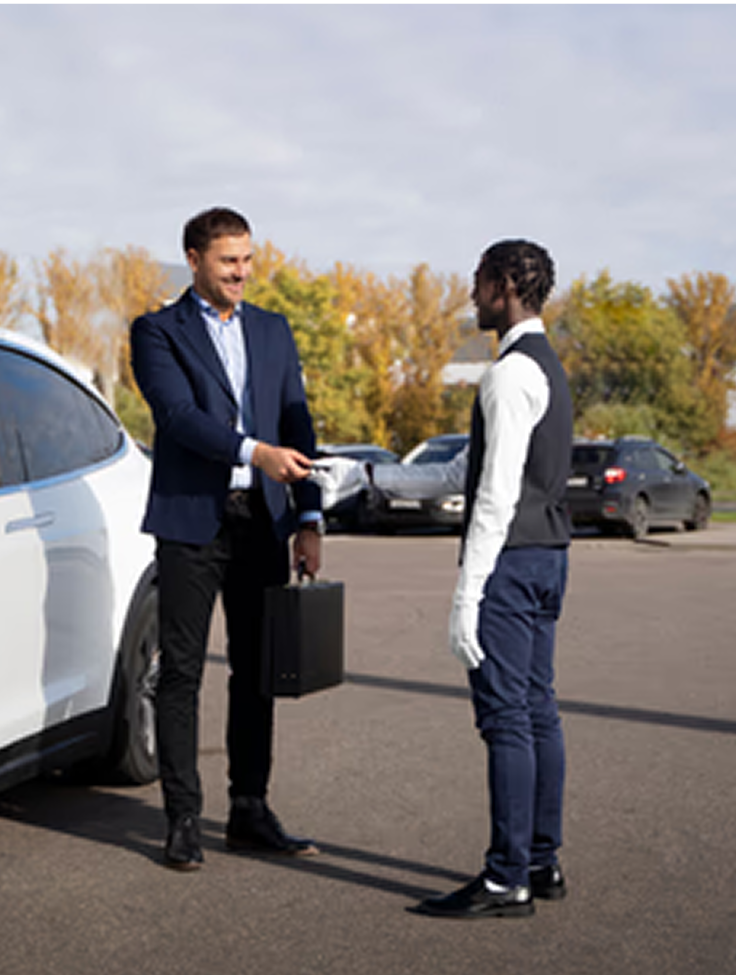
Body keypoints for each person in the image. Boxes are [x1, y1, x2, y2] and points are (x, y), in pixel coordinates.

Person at [356, 239, 573, 917]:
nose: (471, 294)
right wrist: (365, 473)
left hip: (509, 565)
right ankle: (540, 860)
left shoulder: (508, 376)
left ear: (505, 285)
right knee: (536, 708)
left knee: (507, 717)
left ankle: (507, 876)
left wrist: (467, 592)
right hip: (547, 556)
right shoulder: (544, 367)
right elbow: (460, 474)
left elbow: (494, 497)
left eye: (479, 282)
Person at [129, 207, 325, 871]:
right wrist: (252, 450)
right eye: (227, 261)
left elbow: (297, 420)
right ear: (192, 258)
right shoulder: (156, 331)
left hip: (263, 522)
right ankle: (183, 816)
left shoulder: (272, 330)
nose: (241, 272)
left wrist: (307, 516)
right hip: (190, 523)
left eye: (247, 259)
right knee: (181, 672)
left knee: (257, 672)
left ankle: (248, 809)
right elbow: (177, 417)